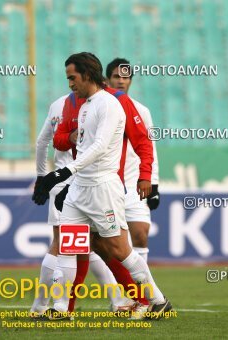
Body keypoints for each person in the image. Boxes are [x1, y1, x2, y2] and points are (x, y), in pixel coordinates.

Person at [36, 52, 171, 319]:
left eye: (72, 78)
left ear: (87, 74)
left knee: (119, 249)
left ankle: (156, 298)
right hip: (80, 187)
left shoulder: (110, 105)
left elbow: (99, 148)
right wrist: (66, 181)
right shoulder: (84, 105)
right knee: (68, 244)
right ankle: (61, 308)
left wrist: (62, 172)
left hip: (102, 187)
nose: (70, 84)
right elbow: (74, 143)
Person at [105, 58, 161, 262]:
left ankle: (139, 292)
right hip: (107, 183)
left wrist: (153, 184)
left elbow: (150, 147)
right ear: (107, 79)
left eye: (126, 77)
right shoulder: (101, 107)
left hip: (133, 182)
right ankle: (121, 290)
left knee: (140, 234)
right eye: (116, 76)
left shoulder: (142, 111)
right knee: (108, 243)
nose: (121, 81)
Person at [29, 94, 76, 317]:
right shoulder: (98, 104)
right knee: (69, 244)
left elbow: (41, 142)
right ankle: (58, 306)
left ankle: (40, 306)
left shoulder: (57, 104)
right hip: (85, 182)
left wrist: (41, 176)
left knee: (64, 243)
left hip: (59, 180)